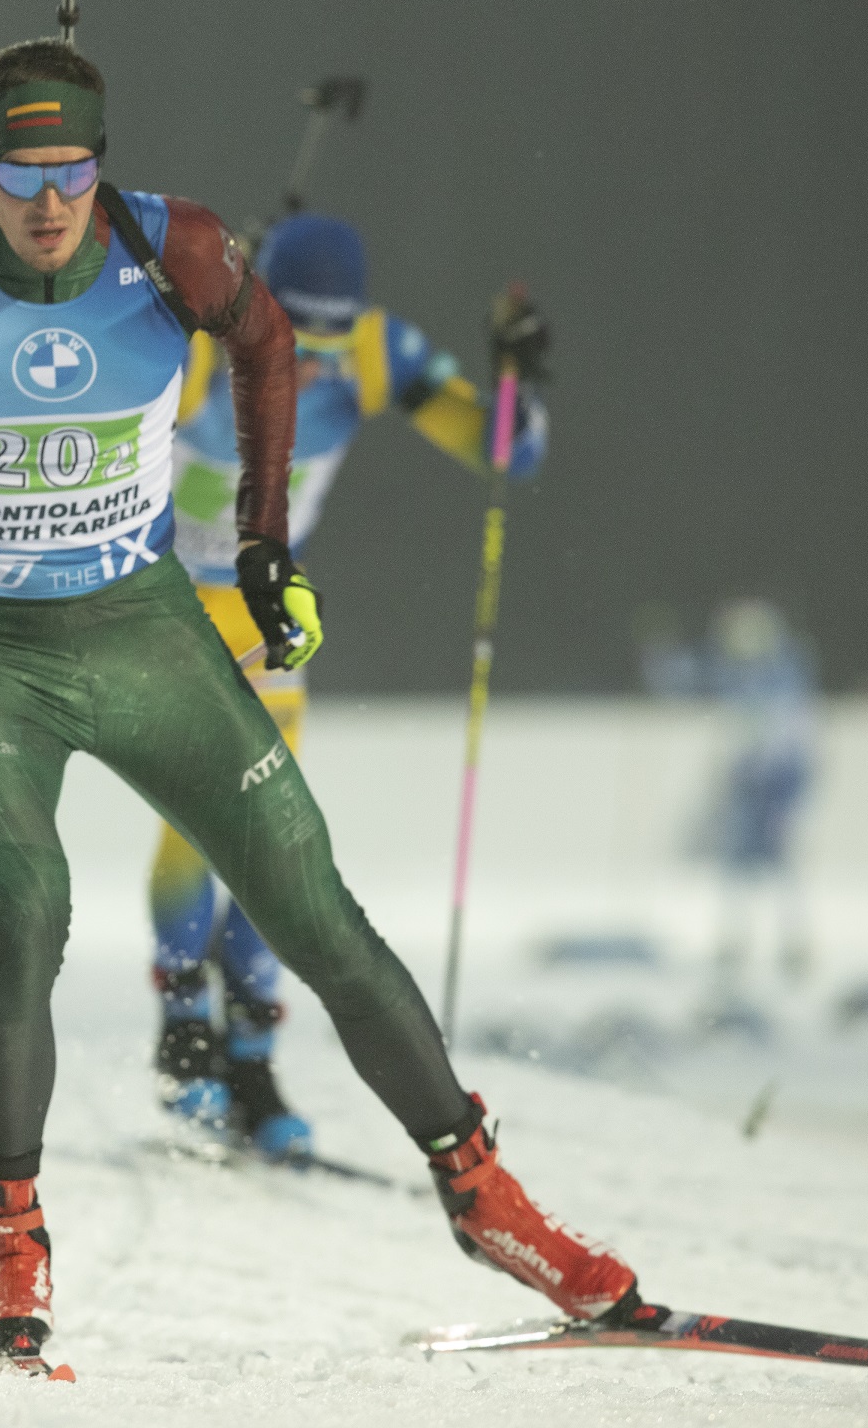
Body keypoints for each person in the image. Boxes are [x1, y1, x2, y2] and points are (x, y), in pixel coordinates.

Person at [0, 39, 636, 1367]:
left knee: (312, 901)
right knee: (26, 914)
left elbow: (272, 345)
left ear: (104, 163)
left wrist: (270, 550)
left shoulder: (182, 251)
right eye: (20, 173)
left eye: (73, 170)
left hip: (149, 628)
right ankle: (8, 1229)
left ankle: (484, 1195)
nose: (50, 203)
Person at [150, 210, 549, 1160]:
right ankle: (183, 1036)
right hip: (164, 605)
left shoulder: (375, 352)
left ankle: (250, 1054)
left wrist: (515, 385)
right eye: (296, 328)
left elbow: (506, 453)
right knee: (191, 822)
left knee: (264, 827)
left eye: (329, 337)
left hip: (265, 616)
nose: (310, 357)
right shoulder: (214, 344)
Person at [640, 597, 819, 993]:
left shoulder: (782, 673)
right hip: (750, 777)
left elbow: (784, 734)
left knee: (777, 860)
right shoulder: (749, 672)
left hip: (775, 778)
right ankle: (737, 940)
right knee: (739, 862)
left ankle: (789, 941)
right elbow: (689, 682)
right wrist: (661, 658)